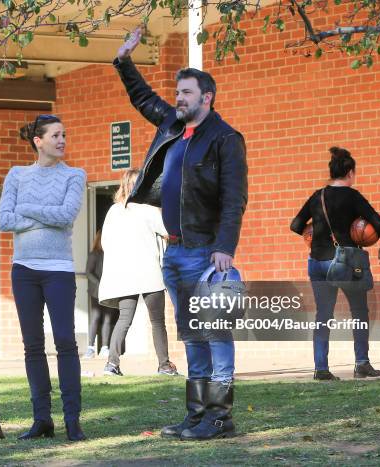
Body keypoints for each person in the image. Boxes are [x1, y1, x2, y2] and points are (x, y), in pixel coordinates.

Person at [114, 28, 248, 441]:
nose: (179, 98)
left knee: (215, 334)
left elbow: (234, 198)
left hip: (206, 252)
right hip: (172, 253)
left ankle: (220, 417)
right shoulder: (172, 126)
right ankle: (196, 414)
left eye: (187, 93)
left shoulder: (226, 139)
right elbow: (142, 98)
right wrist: (123, 60)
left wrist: (225, 247)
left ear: (206, 97)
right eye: (178, 92)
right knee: (191, 335)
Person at [0, 114, 87, 442]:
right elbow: (4, 220)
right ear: (39, 141)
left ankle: (72, 421)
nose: (62, 140)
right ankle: (41, 420)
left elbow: (66, 216)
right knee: (32, 345)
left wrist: (28, 209)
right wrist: (42, 216)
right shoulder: (17, 175)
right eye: (55, 135)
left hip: (59, 270)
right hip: (24, 270)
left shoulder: (75, 175)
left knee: (65, 341)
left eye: (64, 134)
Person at [290, 147, 380, 381]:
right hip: (346, 263)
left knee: (323, 315)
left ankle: (321, 368)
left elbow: (295, 225)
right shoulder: (353, 196)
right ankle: (362, 363)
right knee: (359, 313)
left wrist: (312, 234)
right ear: (349, 173)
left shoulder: (318, 196)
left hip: (317, 262)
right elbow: (377, 221)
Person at [98, 169, 178, 377]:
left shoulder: (113, 212)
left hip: (124, 274)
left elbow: (105, 243)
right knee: (157, 321)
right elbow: (170, 233)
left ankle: (112, 364)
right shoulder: (147, 210)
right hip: (149, 272)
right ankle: (164, 365)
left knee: (124, 319)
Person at [84, 230, 118, 359]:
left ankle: (104, 347)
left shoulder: (112, 254)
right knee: (96, 317)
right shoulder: (94, 254)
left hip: (110, 291)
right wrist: (99, 284)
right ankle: (90, 348)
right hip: (96, 292)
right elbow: (88, 272)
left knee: (108, 319)